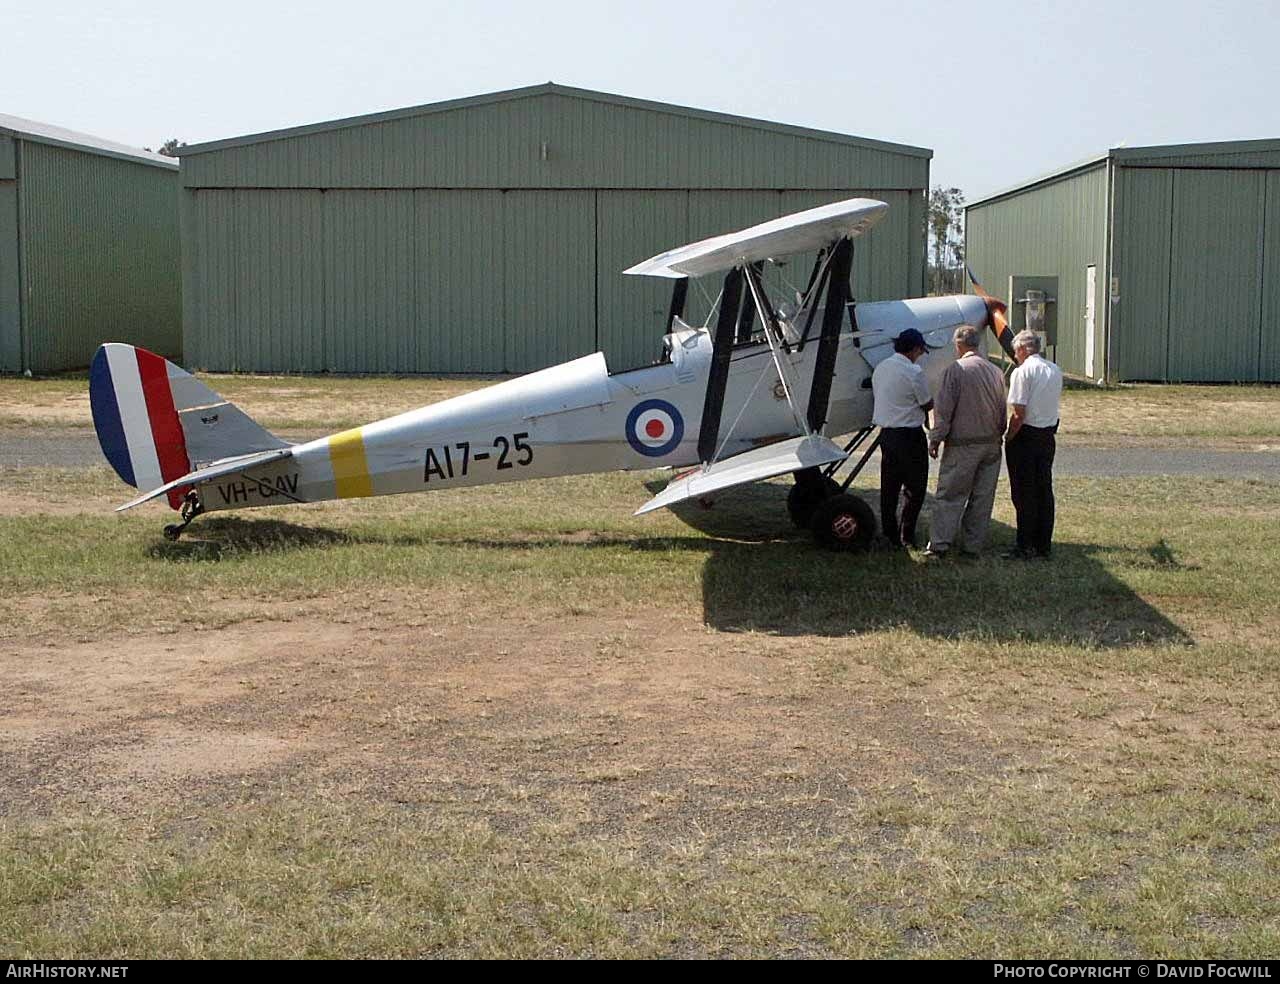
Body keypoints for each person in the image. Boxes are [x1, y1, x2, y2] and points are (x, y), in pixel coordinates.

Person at [923, 326, 1007, 559]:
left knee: (950, 495)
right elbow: (1002, 410)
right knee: (982, 498)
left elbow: (944, 409)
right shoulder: (995, 371)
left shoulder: (956, 370)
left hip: (963, 444)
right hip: (991, 443)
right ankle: (972, 547)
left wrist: (936, 438)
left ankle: (939, 545)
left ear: (958, 345)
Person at [872, 327, 933, 548]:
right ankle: (906, 535)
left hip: (887, 434)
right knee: (915, 488)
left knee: (889, 486)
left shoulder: (881, 368)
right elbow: (927, 402)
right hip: (910, 435)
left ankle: (889, 532)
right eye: (919, 351)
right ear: (915, 349)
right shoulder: (914, 372)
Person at [1004, 329, 1063, 559]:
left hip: (1026, 435)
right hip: (1047, 434)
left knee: (1023, 491)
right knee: (1044, 490)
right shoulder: (1054, 369)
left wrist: (1009, 436)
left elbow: (1018, 412)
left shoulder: (1022, 372)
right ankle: (1043, 544)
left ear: (1021, 349)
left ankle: (1024, 543)